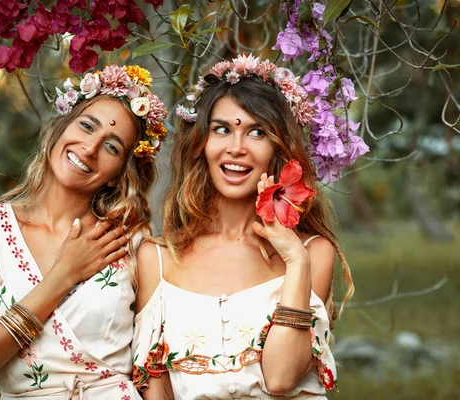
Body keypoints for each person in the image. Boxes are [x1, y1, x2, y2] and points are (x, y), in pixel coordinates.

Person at [0, 64, 168, 399]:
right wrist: (64, 275)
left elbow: (155, 371)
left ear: (119, 173)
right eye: (86, 126)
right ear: (60, 128)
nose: (89, 148)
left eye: (112, 146)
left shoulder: (129, 243)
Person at [132, 55, 354, 399]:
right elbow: (154, 386)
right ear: (201, 143)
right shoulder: (158, 258)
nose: (236, 148)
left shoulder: (311, 253)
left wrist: (295, 261)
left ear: (278, 148)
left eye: (257, 132)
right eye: (222, 129)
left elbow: (281, 380)